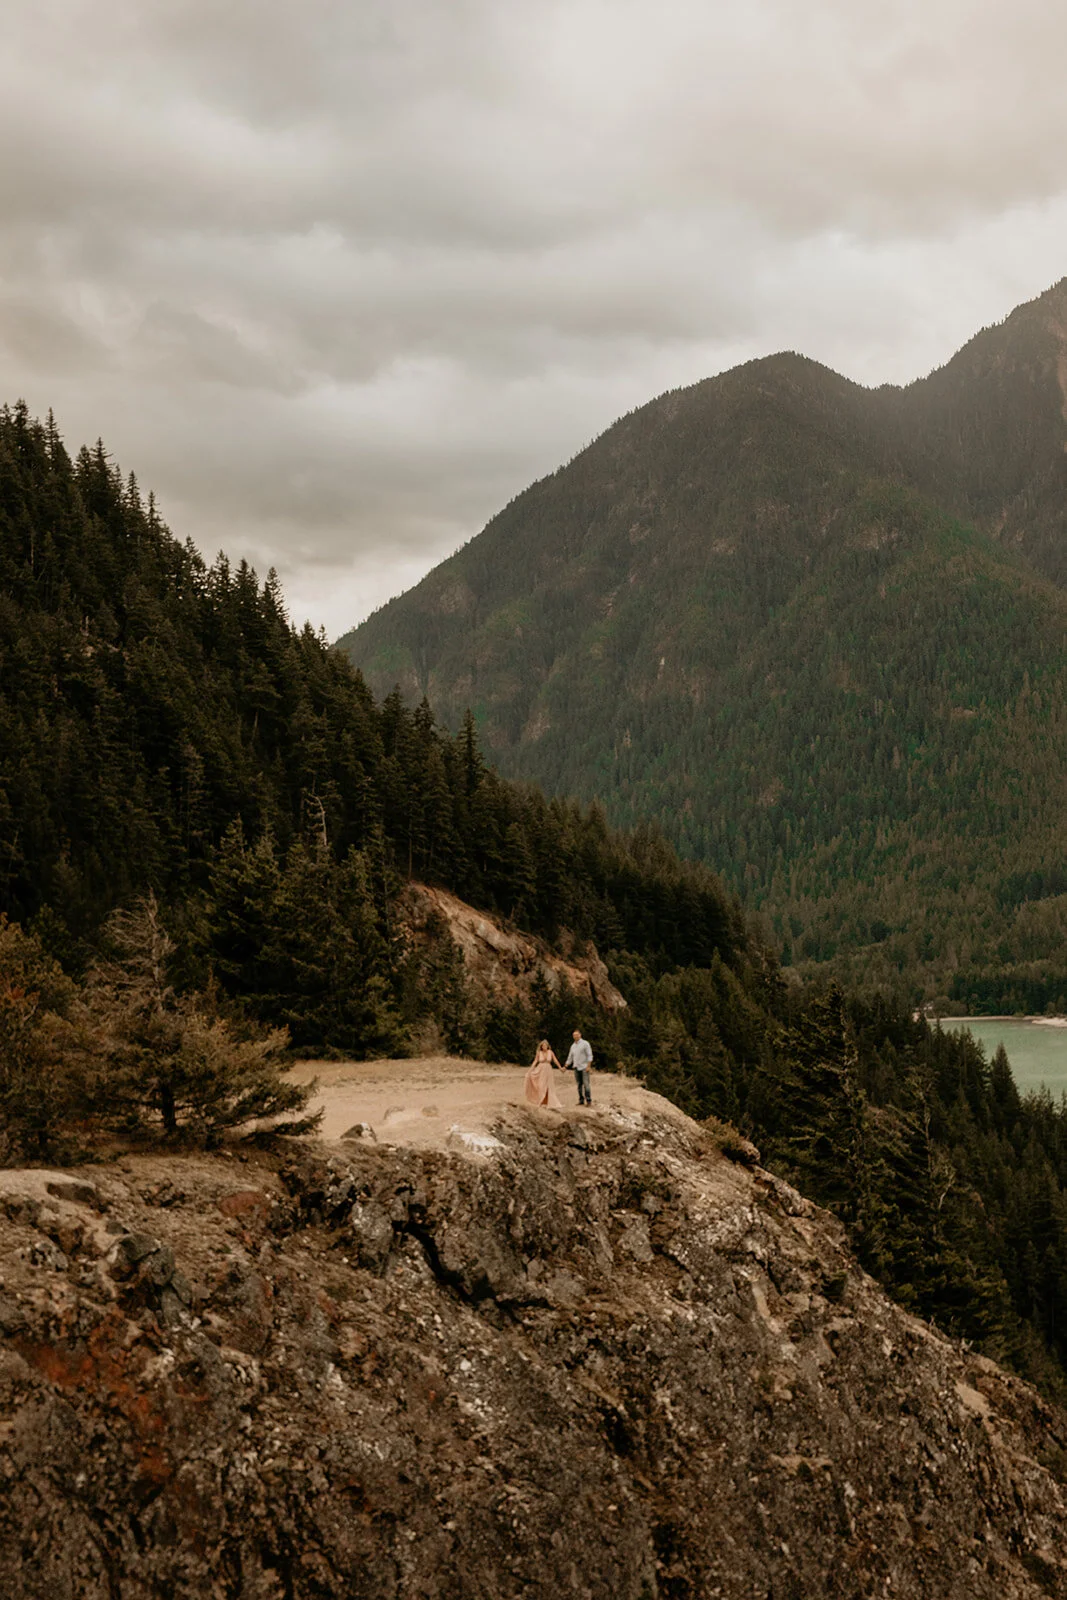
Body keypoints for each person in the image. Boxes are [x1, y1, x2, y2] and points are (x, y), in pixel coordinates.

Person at [524, 1039, 563, 1110]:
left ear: (547, 1046)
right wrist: (530, 1070)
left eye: (545, 1045)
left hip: (548, 1069)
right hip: (540, 1069)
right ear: (541, 1047)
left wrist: (560, 1068)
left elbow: (555, 1060)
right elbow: (535, 1061)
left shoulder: (550, 1052)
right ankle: (540, 1101)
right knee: (541, 1085)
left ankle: (548, 1101)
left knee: (549, 1086)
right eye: (543, 1046)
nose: (544, 1047)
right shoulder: (539, 1053)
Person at [565, 1029, 593, 1105]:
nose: (575, 1036)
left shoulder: (585, 1044)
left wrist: (588, 1066)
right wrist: (566, 1065)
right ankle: (581, 1100)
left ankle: (588, 1100)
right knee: (579, 1085)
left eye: (577, 1035)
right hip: (576, 1067)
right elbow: (570, 1057)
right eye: (574, 1035)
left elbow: (589, 1055)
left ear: (580, 1035)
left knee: (586, 1084)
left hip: (584, 1067)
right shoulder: (573, 1046)